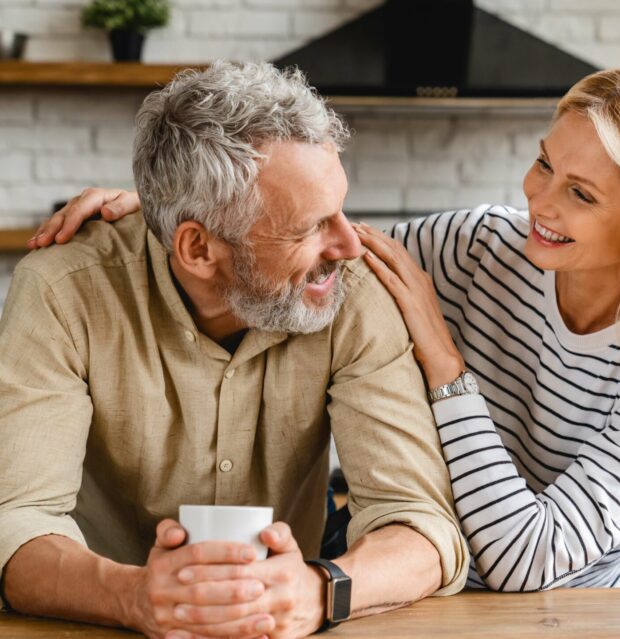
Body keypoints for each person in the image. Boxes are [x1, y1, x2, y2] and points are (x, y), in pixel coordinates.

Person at [31, 65, 620, 592]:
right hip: (425, 595)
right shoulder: (483, 244)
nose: (538, 199)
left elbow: (529, 558)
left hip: (573, 607)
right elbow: (295, 244)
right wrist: (166, 207)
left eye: (578, 193)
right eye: (543, 164)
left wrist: (445, 364)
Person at [0, 61, 468, 639]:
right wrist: (130, 596)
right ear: (197, 249)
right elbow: (15, 524)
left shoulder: (353, 292)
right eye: (309, 227)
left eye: (341, 209)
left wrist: (323, 591)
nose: (348, 244)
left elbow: (423, 527)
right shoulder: (62, 291)